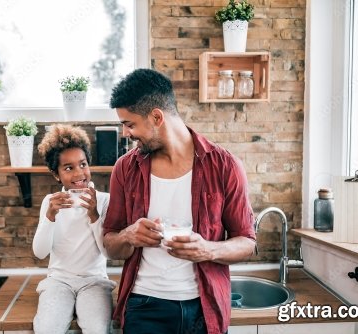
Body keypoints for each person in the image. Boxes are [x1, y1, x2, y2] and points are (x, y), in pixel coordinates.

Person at [102, 69, 256, 334]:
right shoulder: (125, 169)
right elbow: (110, 245)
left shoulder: (225, 166)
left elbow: (247, 242)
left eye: (130, 124)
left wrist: (208, 249)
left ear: (157, 117)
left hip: (205, 310)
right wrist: (129, 235)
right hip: (144, 307)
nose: (126, 133)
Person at [32, 125, 116, 334]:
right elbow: (39, 253)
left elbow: (108, 252)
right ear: (56, 175)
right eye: (68, 168)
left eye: (83, 164)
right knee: (47, 329)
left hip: (94, 281)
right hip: (58, 281)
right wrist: (50, 216)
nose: (79, 173)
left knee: (98, 329)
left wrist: (94, 215)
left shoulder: (104, 200)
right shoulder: (50, 202)